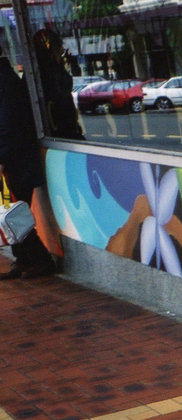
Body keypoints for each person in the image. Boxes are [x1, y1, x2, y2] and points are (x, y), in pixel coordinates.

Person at [0, 47, 58, 279]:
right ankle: (24, 259)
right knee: (11, 210)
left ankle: (40, 260)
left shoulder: (5, 83)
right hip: (15, 157)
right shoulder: (7, 79)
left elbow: (8, 126)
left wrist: (2, 158)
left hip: (15, 159)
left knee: (14, 211)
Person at [32, 28, 84, 140]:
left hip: (66, 123)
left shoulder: (56, 68)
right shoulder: (46, 72)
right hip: (59, 128)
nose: (61, 51)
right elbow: (60, 95)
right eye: (58, 47)